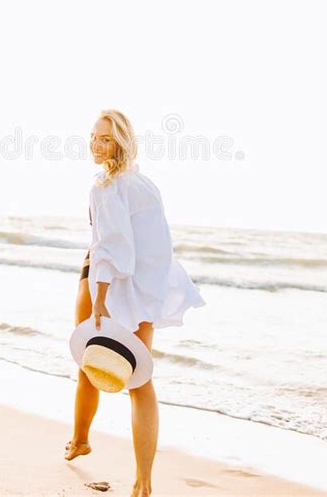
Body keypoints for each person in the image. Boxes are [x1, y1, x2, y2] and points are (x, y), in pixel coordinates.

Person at [64, 109, 206, 497]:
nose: (96, 144)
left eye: (105, 138)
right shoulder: (145, 184)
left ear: (121, 143)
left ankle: (80, 440)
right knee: (139, 381)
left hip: (104, 283)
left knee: (89, 363)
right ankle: (143, 482)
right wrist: (151, 296)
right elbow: (158, 245)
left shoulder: (105, 186)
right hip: (143, 290)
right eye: (93, 136)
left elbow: (111, 248)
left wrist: (101, 303)